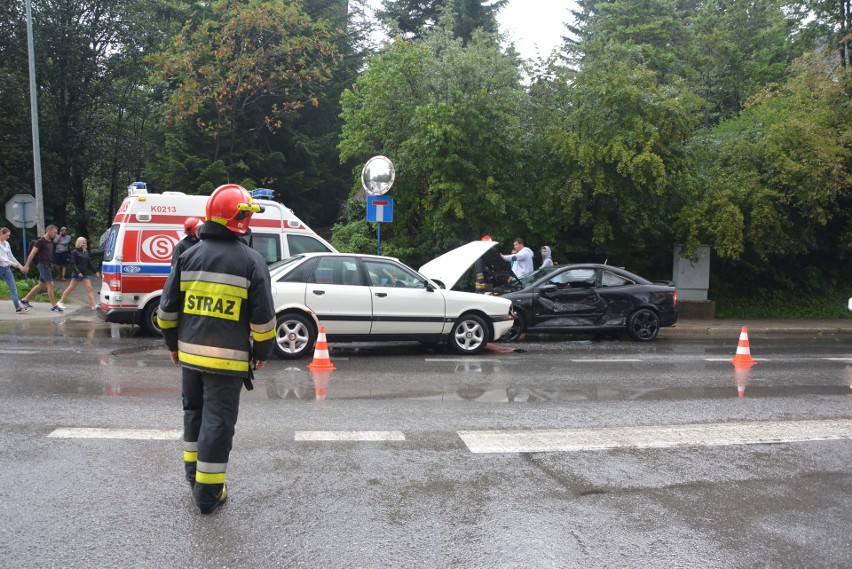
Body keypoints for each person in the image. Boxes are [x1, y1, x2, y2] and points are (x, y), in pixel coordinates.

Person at [158, 184, 275, 515]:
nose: (250, 221)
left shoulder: (188, 255)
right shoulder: (251, 261)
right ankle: (208, 495)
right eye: (247, 214)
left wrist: (172, 346)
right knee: (217, 423)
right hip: (228, 362)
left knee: (194, 415)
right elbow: (264, 320)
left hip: (189, 359)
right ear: (237, 220)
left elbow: (166, 311)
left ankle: (194, 478)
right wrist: (262, 353)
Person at [20, 225, 63, 313]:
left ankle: (25, 300)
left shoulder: (50, 241)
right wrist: (27, 265)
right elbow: (32, 253)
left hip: (48, 265)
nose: (56, 234)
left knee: (41, 285)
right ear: (49, 231)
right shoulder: (40, 241)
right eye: (55, 232)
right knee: (50, 284)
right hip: (43, 265)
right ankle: (54, 306)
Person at [56, 237, 101, 310]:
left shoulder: (85, 252)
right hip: (77, 274)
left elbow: (89, 263)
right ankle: (60, 302)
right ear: (79, 243)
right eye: (83, 242)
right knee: (71, 288)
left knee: (90, 288)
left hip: (85, 274)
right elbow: (73, 264)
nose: (84, 244)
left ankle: (93, 305)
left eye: (85, 242)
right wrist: (78, 272)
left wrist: (95, 271)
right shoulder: (74, 252)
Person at [0, 227, 29, 314]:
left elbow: (11, 256)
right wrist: (11, 263)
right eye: (7, 235)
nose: (8, 237)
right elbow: (0, 257)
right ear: (1, 233)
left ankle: (18, 308)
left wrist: (21, 267)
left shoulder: (7, 243)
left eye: (9, 235)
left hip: (6, 269)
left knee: (13, 288)